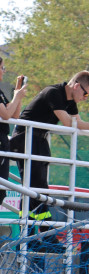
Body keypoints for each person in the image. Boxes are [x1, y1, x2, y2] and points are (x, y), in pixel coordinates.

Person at [9, 71, 89, 224]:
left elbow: (77, 122)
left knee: (39, 188)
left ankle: (35, 234)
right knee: (35, 188)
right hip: (26, 138)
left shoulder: (71, 102)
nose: (85, 99)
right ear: (76, 86)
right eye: (85, 94)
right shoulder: (54, 93)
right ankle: (44, 233)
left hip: (40, 141)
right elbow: (68, 123)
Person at [0, 58, 29, 206]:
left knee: (1, 190)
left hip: (3, 141)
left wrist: (18, 91)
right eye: (2, 68)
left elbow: (14, 115)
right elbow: (5, 114)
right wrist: (17, 96)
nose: (3, 71)